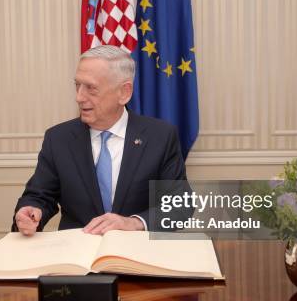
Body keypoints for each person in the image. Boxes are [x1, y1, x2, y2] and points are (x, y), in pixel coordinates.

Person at [12, 45, 187, 236]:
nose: (79, 97)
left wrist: (134, 223)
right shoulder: (58, 138)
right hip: (77, 257)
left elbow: (179, 206)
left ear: (124, 92)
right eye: (77, 85)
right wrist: (31, 210)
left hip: (137, 256)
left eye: (91, 88)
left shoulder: (160, 136)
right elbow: (39, 196)